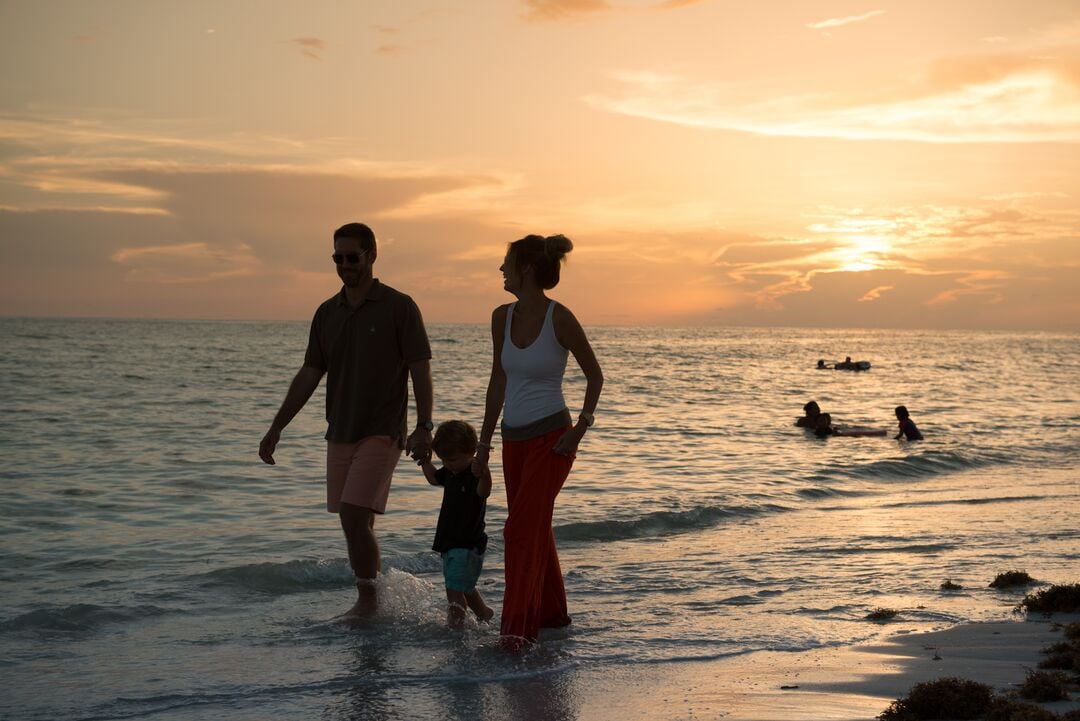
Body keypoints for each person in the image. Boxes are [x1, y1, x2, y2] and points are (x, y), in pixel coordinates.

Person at [258, 222, 434, 617]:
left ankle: (368, 601)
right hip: (339, 430)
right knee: (353, 521)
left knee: (355, 515)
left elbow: (420, 368)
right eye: (338, 258)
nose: (344, 265)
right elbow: (309, 373)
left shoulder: (399, 306)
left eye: (352, 257)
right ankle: (378, 593)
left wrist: (425, 426)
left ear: (372, 256)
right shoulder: (326, 313)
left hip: (383, 430)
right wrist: (277, 426)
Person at [473, 233, 604, 650]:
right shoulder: (501, 317)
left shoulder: (559, 318)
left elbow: (595, 375)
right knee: (535, 528)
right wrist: (483, 446)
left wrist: (579, 428)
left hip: (552, 440)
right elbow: (498, 381)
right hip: (513, 442)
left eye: (506, 261)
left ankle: (516, 634)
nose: (500, 269)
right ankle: (551, 617)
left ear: (525, 268)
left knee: (519, 532)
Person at [417, 420, 494, 627]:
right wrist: (425, 462)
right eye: (444, 460)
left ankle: (456, 624)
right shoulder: (451, 472)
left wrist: (484, 472)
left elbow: (484, 490)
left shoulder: (474, 475)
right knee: (465, 586)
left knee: (453, 587)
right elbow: (434, 478)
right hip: (450, 541)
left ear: (471, 452)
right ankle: (484, 613)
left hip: (467, 543)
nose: (449, 464)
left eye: (453, 459)